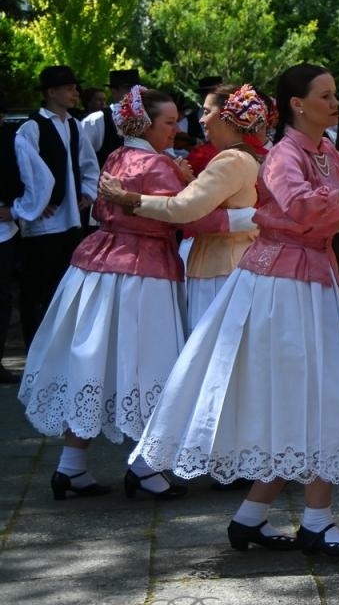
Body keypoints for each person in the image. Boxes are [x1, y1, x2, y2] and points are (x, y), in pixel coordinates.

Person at [130, 64, 339, 557]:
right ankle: (316, 521)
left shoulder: (325, 151)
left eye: (335, 95)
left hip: (310, 279)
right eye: (326, 96)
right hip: (280, 286)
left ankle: (253, 518)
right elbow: (307, 208)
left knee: (306, 396)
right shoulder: (284, 156)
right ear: (297, 105)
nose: (335, 104)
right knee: (315, 394)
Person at [19, 86, 233, 500]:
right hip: (141, 274)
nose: (175, 130)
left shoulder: (120, 155)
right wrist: (247, 215)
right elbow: (189, 217)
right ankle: (145, 467)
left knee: (93, 366)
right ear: (146, 123)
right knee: (148, 364)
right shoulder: (154, 165)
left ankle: (71, 467)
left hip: (97, 267)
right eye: (168, 123)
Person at [99, 85, 266, 334]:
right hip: (207, 262)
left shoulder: (231, 159)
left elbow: (185, 209)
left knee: (210, 344)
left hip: (220, 265)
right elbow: (197, 205)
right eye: (169, 122)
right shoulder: (241, 157)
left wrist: (129, 198)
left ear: (226, 117)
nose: (200, 118)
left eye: (207, 111)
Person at [13, 66, 100, 349]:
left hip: (72, 220)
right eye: (69, 88)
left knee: (64, 284)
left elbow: (88, 164)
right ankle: (35, 346)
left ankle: (57, 345)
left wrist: (87, 192)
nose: (75, 93)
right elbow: (27, 171)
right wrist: (36, 203)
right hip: (44, 223)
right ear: (51, 93)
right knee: (38, 286)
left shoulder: (74, 125)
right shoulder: (32, 127)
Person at [0, 122, 52, 382]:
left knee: (1, 297)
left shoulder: (12, 142)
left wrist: (18, 210)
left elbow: (43, 179)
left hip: (1, 233)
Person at [82, 68, 140, 165]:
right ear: (114, 91)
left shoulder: (147, 119)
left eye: (137, 88)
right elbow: (82, 160)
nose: (135, 92)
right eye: (128, 88)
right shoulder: (96, 120)